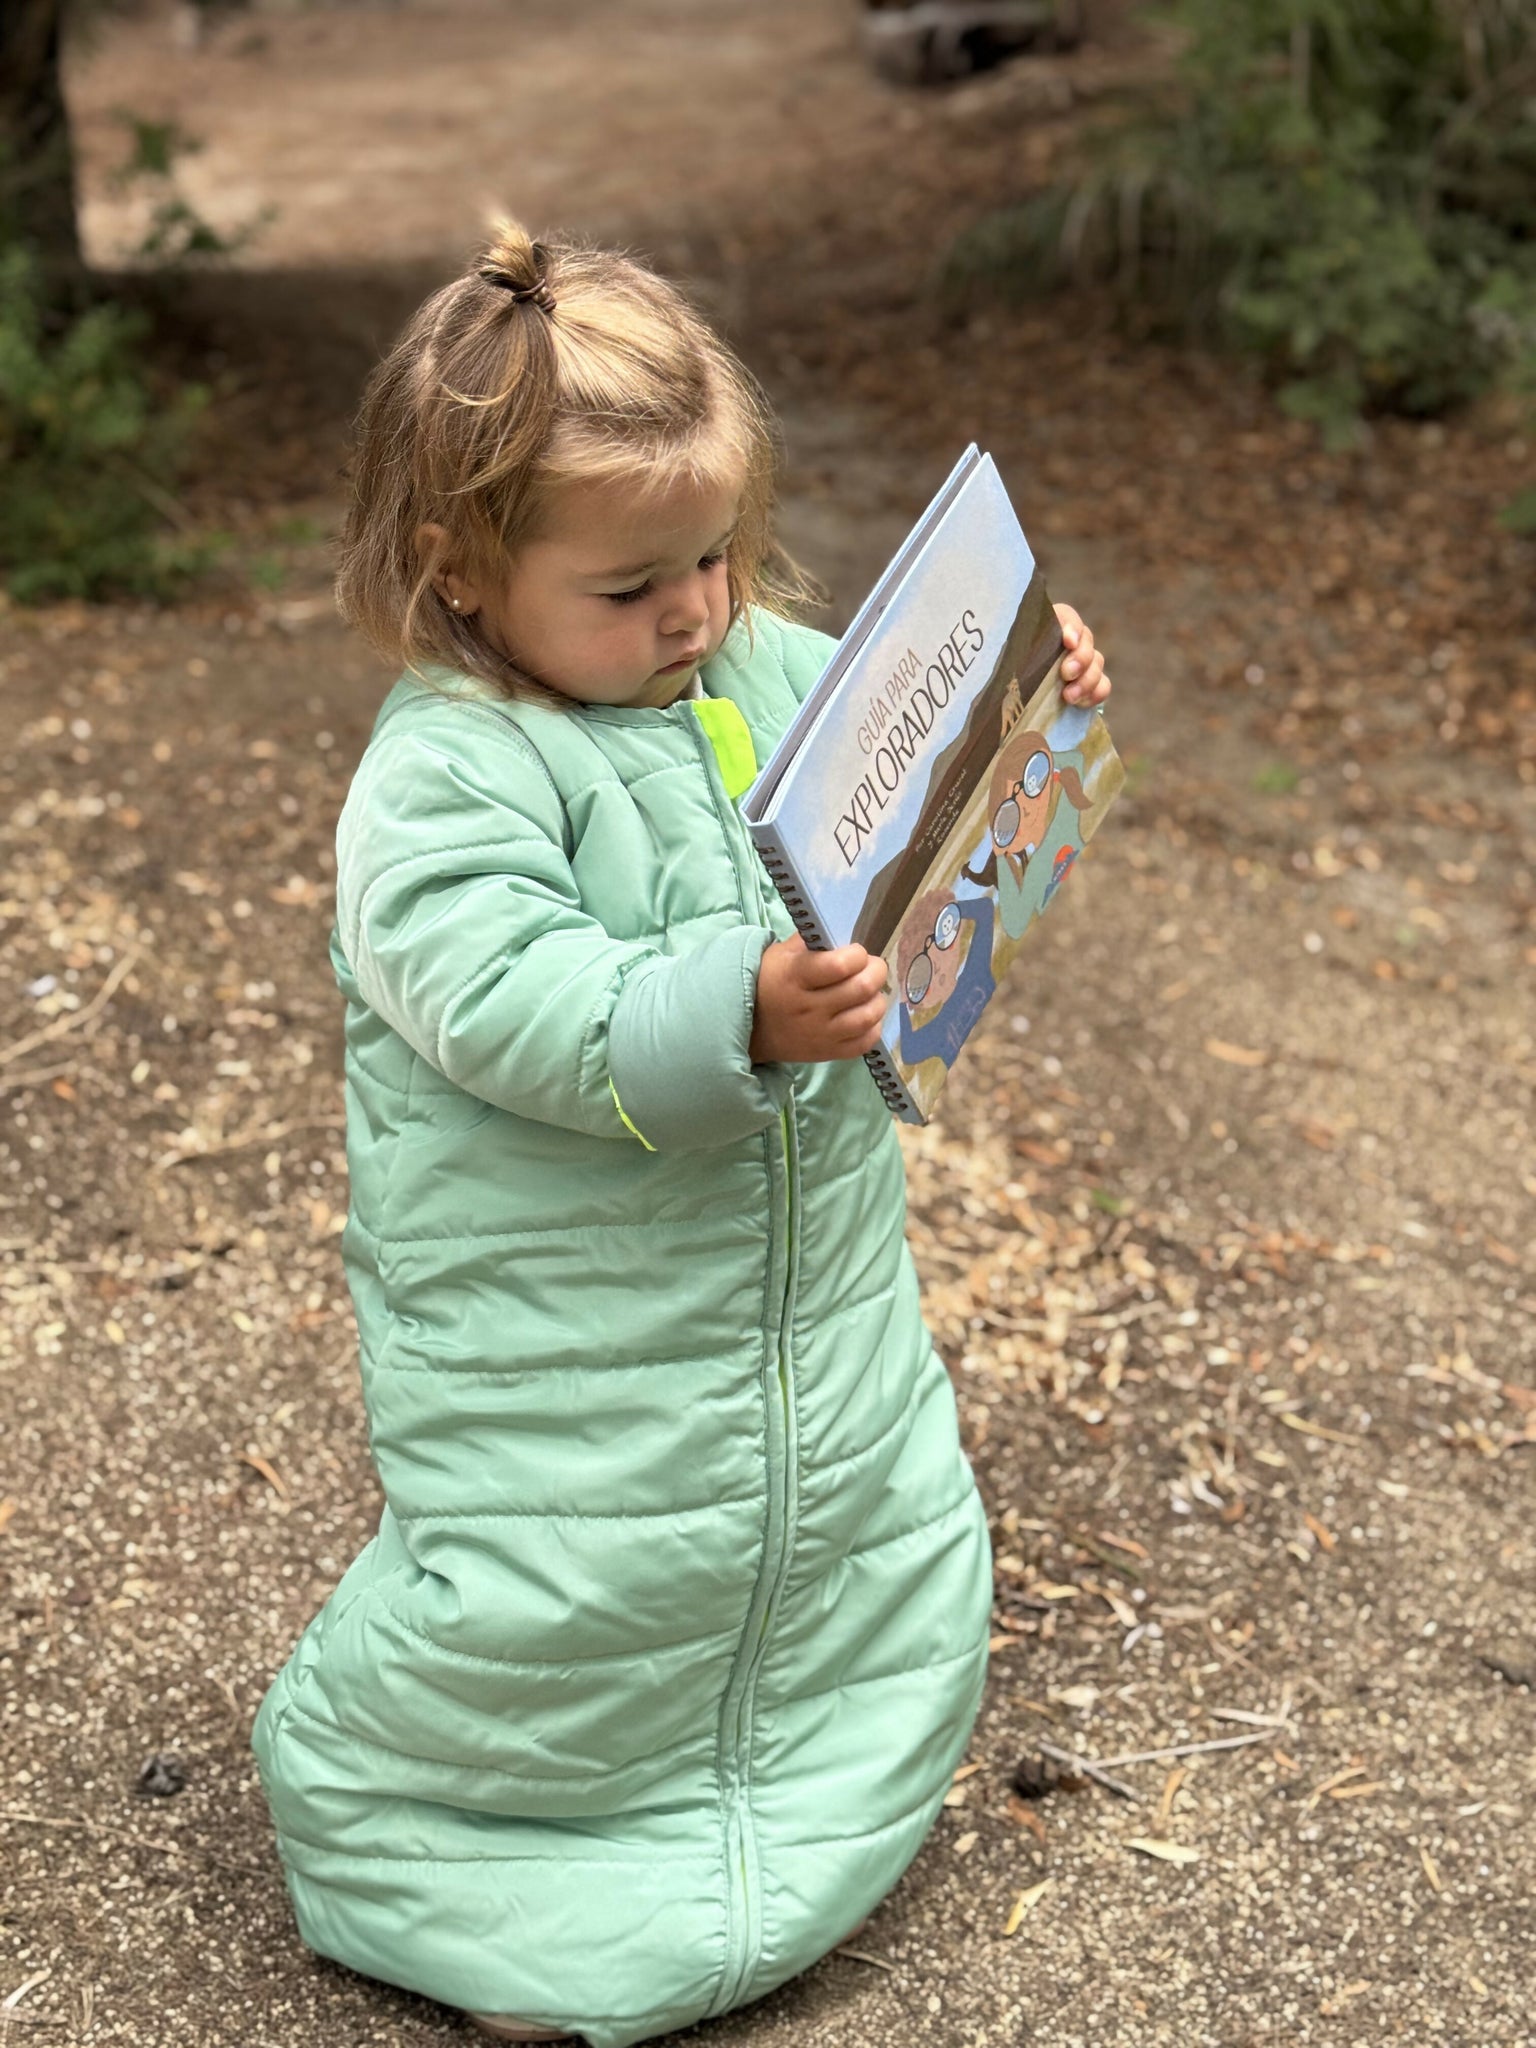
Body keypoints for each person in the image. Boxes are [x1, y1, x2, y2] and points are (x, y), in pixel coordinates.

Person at [251, 220, 1111, 2048]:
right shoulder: (449, 773)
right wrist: (734, 1009)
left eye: (716, 555)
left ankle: (788, 1835)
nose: (697, 614)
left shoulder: (758, 669)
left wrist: (1015, 724)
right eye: (633, 584)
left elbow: (898, 794)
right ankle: (471, 1866)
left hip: (814, 1304)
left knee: (850, 1547)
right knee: (576, 1607)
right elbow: (509, 996)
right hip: (578, 1339)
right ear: (459, 567)